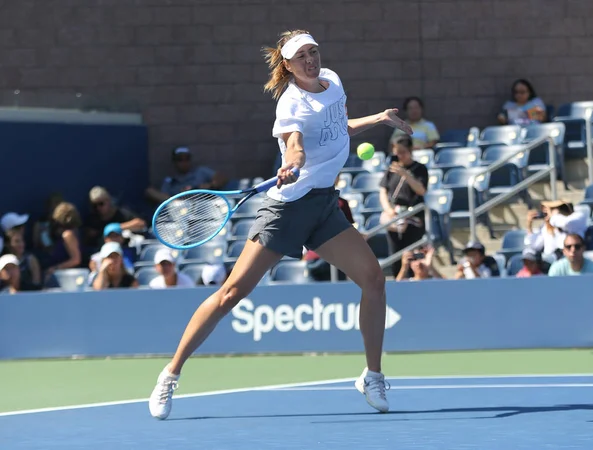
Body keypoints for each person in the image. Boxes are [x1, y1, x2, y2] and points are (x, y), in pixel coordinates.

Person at [148, 29, 413, 420]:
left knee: (374, 280)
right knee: (231, 293)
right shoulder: (291, 104)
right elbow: (296, 144)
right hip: (287, 210)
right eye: (301, 56)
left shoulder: (334, 82)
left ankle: (372, 375)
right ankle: (170, 374)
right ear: (287, 66)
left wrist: (378, 118)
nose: (311, 59)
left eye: (314, 51)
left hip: (324, 206)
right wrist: (294, 161)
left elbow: (338, 128)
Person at [379, 136, 428, 278]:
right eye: (397, 152)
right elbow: (383, 191)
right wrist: (388, 209)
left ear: (410, 150)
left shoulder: (420, 169)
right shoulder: (392, 169)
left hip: (413, 217)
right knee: (395, 254)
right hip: (395, 216)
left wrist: (405, 174)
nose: (400, 156)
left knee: (412, 254)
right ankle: (398, 280)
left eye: (403, 152)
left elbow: (421, 190)